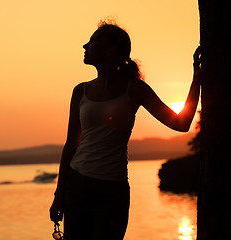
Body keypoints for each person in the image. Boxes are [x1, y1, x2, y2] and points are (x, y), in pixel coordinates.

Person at [49, 20, 201, 240]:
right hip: (77, 185)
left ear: (111, 50)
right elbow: (71, 144)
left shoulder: (135, 89)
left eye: (92, 41)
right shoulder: (80, 91)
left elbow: (180, 123)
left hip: (112, 190)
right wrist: (59, 194)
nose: (85, 46)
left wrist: (197, 78)